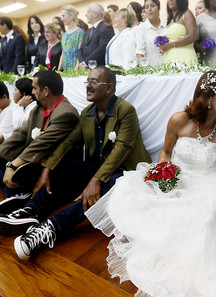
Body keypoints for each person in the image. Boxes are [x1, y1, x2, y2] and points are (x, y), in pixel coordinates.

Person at [85, 70, 216, 297]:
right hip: (176, 179)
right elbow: (165, 153)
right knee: (130, 191)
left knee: (204, 221)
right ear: (209, 97)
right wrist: (164, 178)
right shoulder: (179, 119)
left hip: (209, 184)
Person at [3, 67, 151, 258]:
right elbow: (68, 143)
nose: (88, 85)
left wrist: (95, 181)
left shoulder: (125, 111)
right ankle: (31, 209)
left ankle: (50, 228)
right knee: (64, 163)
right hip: (97, 169)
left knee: (111, 183)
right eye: (87, 80)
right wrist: (47, 169)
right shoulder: (87, 113)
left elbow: (121, 150)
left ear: (110, 88)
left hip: (126, 172)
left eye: (94, 81)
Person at [0, 71, 79, 210]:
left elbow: (41, 143)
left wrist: (12, 166)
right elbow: (20, 134)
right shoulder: (37, 109)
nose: (32, 92)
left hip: (54, 167)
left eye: (34, 88)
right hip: (34, 161)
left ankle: (20, 197)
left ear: (46, 91)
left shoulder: (67, 113)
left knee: (12, 170)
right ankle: (18, 195)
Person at [160, 0, 198, 65]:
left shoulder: (187, 14)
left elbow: (193, 36)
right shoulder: (169, 20)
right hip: (169, 59)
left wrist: (170, 45)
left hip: (185, 59)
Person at [78, 3, 115, 68]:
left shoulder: (106, 28)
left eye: (88, 12)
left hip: (99, 69)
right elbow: (81, 49)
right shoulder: (88, 31)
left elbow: (102, 49)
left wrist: (85, 63)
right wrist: (82, 63)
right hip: (86, 69)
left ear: (95, 14)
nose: (85, 15)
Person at [135, 0, 165, 66]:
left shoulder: (166, 25)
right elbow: (140, 52)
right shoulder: (141, 28)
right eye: (147, 7)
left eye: (152, 6)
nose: (149, 9)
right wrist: (144, 70)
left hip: (170, 67)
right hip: (152, 71)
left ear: (158, 8)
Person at [60, 5, 85, 71]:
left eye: (63, 16)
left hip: (75, 69)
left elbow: (80, 53)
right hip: (65, 70)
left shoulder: (80, 32)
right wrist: (58, 70)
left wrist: (75, 70)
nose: (61, 19)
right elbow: (63, 54)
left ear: (71, 15)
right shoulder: (64, 35)